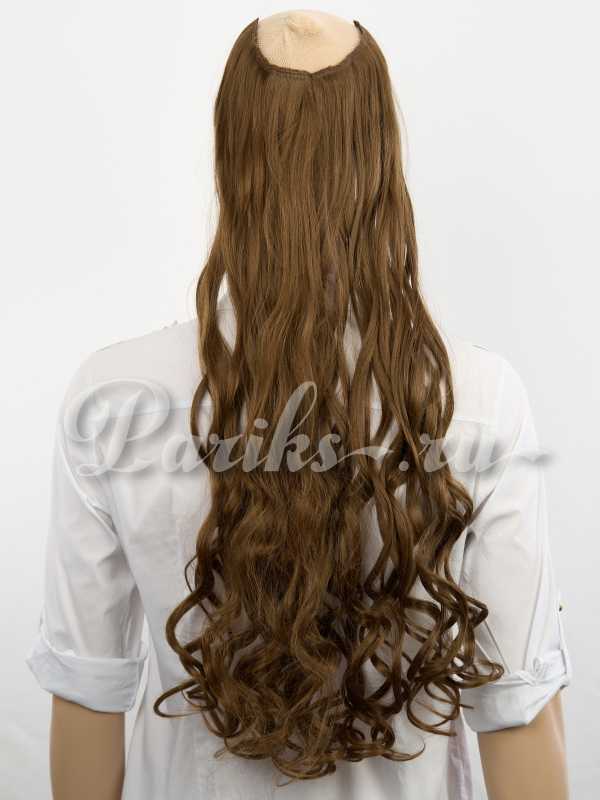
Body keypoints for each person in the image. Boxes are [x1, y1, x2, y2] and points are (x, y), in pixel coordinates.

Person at [26, 10, 572, 800]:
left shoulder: (114, 401)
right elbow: (517, 710)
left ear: (230, 153)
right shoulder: (478, 399)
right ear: (379, 154)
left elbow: (87, 695)